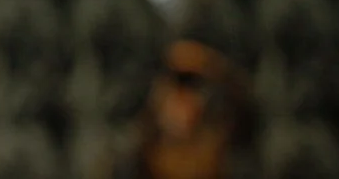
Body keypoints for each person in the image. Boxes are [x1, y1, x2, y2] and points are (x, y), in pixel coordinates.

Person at [106, 36, 256, 179]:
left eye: (192, 85)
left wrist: (212, 64)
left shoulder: (226, 152)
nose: (182, 99)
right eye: (177, 83)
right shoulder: (132, 158)